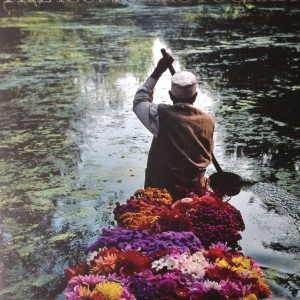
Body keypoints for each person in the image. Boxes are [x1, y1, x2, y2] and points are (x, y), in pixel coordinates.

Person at [133, 52, 215, 199]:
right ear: (195, 96)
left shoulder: (160, 115)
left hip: (162, 195)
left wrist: (158, 71)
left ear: (171, 95)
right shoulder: (209, 121)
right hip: (196, 194)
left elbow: (139, 101)